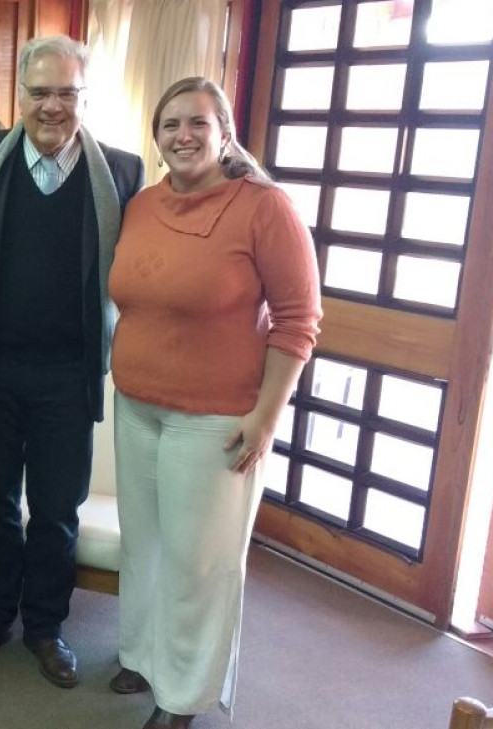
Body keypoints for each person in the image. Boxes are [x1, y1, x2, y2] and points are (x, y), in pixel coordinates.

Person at [107, 77, 322, 729]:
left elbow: (298, 319)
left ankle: (183, 697)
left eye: (197, 122)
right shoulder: (144, 204)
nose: (183, 136)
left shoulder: (264, 206)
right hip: (138, 407)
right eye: (170, 124)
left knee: (199, 561)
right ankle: (146, 657)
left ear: (224, 131)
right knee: (145, 545)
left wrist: (265, 415)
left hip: (219, 418)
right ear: (157, 136)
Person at [0, 35, 144, 688]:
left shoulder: (122, 170)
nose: (52, 106)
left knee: (58, 508)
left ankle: (45, 626)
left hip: (67, 374)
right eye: (40, 92)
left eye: (67, 93)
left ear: (85, 98)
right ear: (18, 95)